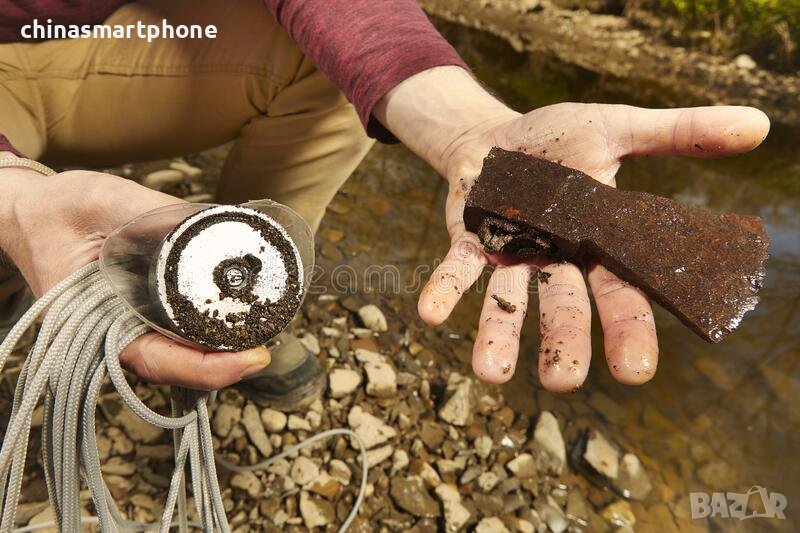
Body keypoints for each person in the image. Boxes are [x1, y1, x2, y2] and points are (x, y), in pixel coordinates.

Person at [0, 0, 770, 394]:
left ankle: (247, 298)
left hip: (110, 29)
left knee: (337, 75)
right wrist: (16, 199)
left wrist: (463, 126)